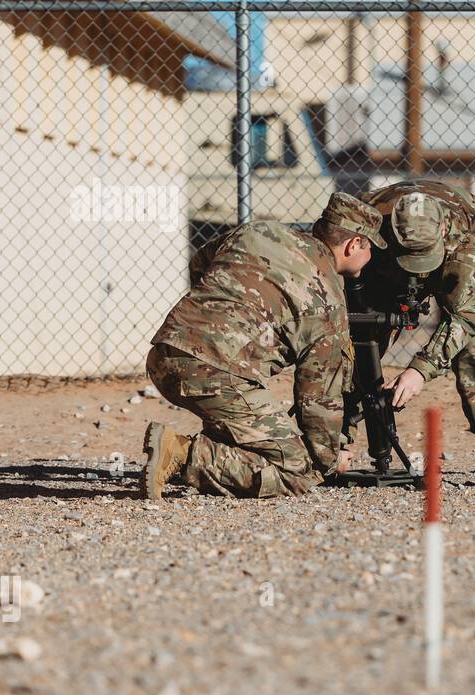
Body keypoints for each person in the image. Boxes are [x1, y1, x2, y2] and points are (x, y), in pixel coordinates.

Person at [140, 193, 385, 499]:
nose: (372, 255)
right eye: (371, 247)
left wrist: (215, 317)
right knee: (297, 469)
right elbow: (317, 399)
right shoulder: (329, 303)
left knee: (257, 424)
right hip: (216, 375)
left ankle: (225, 443)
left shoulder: (260, 231)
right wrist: (329, 458)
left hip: (165, 352)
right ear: (354, 245)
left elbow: (201, 260)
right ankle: (184, 454)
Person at [357, 179, 475, 489]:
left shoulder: (464, 241)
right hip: (386, 257)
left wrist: (419, 371)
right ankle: (335, 439)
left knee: (474, 342)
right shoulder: (367, 220)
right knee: (358, 330)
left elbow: (466, 318)